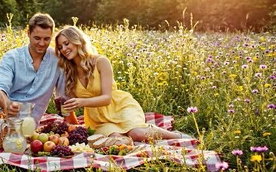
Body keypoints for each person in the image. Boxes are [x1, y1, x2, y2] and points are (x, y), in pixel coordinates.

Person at [55, 26, 188, 141]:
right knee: (116, 139)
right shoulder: (68, 73)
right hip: (97, 119)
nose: (64, 49)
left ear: (77, 41)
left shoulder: (101, 62)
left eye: (67, 43)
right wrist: (68, 120)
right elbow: (69, 107)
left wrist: (81, 102)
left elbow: (106, 98)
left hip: (120, 107)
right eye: (60, 47)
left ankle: (176, 136)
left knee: (137, 134)